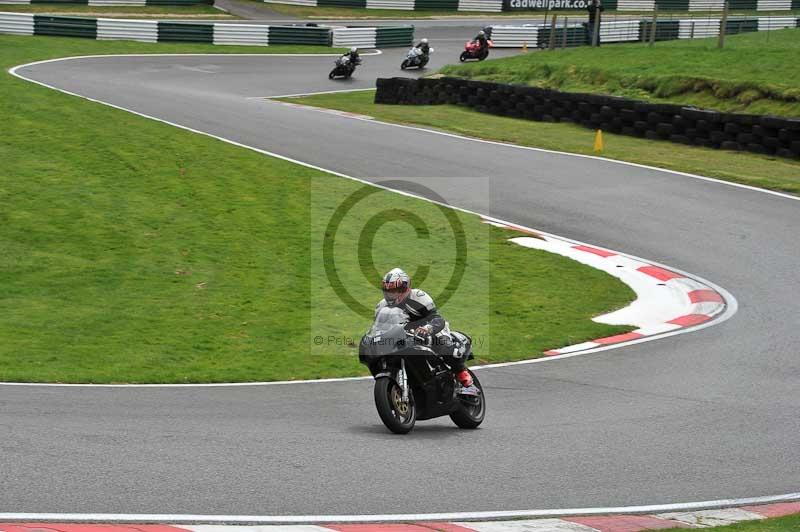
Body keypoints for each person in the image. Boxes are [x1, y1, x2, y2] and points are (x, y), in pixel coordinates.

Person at [377, 267, 474, 388]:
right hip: (403, 337)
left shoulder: (418, 296)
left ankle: (461, 372)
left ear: (405, 288)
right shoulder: (381, 306)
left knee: (443, 343)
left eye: (395, 290)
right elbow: (379, 328)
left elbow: (437, 319)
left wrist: (428, 328)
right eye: (388, 291)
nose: (391, 294)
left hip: (430, 330)